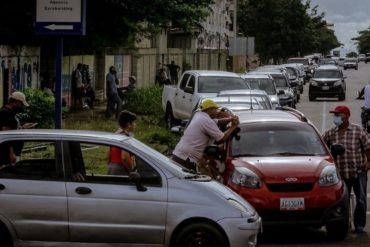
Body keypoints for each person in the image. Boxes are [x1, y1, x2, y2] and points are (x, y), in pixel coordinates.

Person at [322, 105, 370, 233]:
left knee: (361, 200)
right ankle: (345, 223)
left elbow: (368, 149)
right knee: (343, 201)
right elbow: (321, 148)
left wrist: (368, 164)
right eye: (335, 115)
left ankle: (359, 225)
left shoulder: (358, 131)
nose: (336, 117)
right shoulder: (330, 134)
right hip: (341, 175)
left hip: (358, 172)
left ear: (346, 116)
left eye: (338, 114)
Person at [172, 99, 239, 171]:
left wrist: (230, 119)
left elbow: (218, 121)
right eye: (215, 109)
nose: (217, 112)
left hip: (179, 154)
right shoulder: (207, 121)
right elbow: (221, 138)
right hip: (187, 158)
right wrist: (233, 127)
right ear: (210, 109)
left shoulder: (199, 115)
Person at [0, 92, 35, 167]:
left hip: (12, 153)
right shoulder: (6, 113)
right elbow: (7, 135)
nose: (22, 107)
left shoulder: (10, 113)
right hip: (7, 154)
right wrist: (11, 153)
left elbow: (12, 129)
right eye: (21, 104)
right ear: (15, 102)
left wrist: (23, 127)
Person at [108, 110, 137, 175]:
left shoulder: (116, 134)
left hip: (111, 167)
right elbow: (124, 158)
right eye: (133, 122)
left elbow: (109, 154)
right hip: (120, 169)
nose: (135, 125)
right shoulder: (125, 138)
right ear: (128, 124)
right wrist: (131, 172)